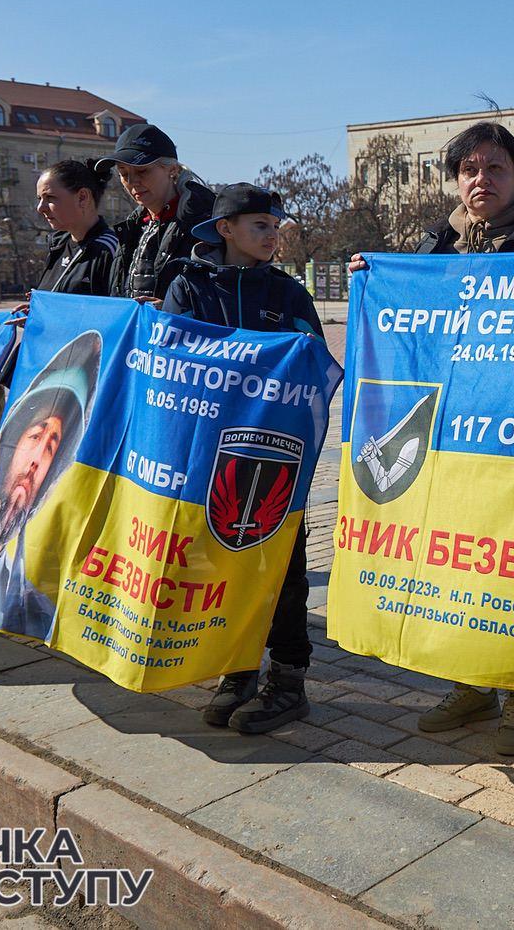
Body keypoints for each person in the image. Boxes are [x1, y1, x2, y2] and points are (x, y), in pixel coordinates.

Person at [348, 119, 514, 756]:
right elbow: (409, 325)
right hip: (448, 437)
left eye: (496, 168)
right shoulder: (435, 249)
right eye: (470, 170)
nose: (482, 180)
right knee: (452, 559)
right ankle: (468, 683)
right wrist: (374, 276)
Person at [159, 182, 324, 733]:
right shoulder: (188, 287)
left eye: (276, 227)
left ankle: (288, 679)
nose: (272, 235)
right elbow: (173, 359)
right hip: (209, 455)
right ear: (225, 230)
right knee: (219, 558)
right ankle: (237, 667)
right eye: (260, 226)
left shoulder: (288, 294)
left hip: (277, 457)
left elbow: (314, 365)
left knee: (282, 566)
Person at [0, 332, 101, 638]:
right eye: (35, 436)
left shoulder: (39, 605)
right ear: (13, 437)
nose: (38, 458)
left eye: (52, 446)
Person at [96, 124, 212, 303]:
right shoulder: (132, 226)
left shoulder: (203, 222)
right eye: (123, 173)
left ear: (172, 169)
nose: (132, 181)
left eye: (142, 171)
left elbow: (223, 293)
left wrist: (173, 311)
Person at [34, 160, 119, 296]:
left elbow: (118, 311)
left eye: (50, 198)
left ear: (82, 197)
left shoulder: (110, 250)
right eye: (39, 199)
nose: (40, 208)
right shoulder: (58, 246)